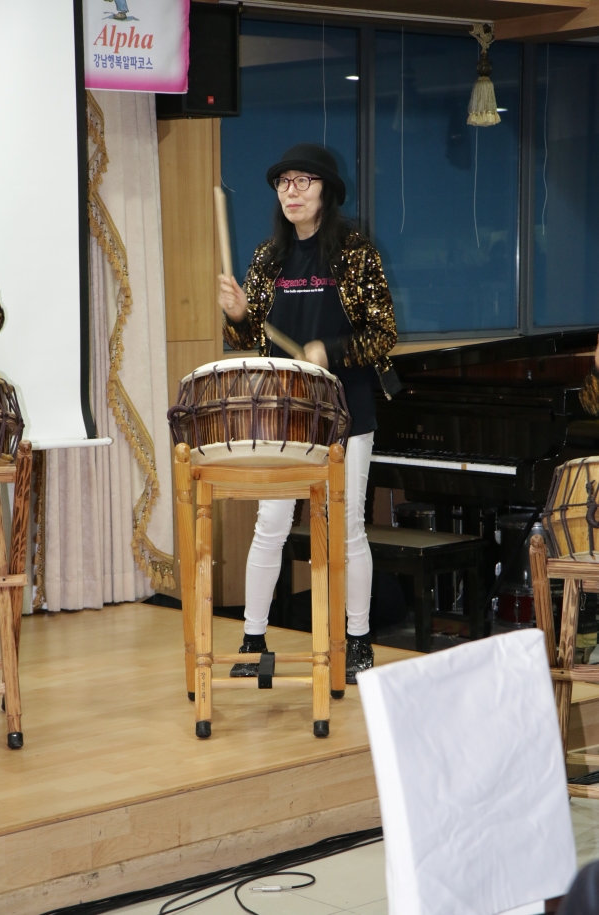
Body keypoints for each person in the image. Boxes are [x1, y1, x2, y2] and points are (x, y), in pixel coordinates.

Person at [219, 143, 399, 684]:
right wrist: (238, 316)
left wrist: (330, 351)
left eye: (304, 181)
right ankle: (253, 638)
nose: (292, 191)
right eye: (284, 183)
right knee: (271, 524)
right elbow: (250, 340)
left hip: (345, 410)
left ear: (327, 191)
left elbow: (383, 335)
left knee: (347, 528)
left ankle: (358, 640)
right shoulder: (267, 258)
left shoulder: (355, 254)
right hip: (285, 411)